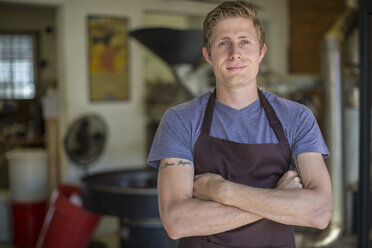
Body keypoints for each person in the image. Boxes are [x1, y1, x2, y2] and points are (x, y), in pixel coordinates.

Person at [147, 1, 333, 247]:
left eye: (245, 41)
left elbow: (319, 213)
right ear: (208, 55)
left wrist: (223, 191)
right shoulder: (180, 119)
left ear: (261, 52)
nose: (235, 53)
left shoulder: (296, 118)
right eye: (224, 43)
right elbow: (177, 222)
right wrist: (279, 200)